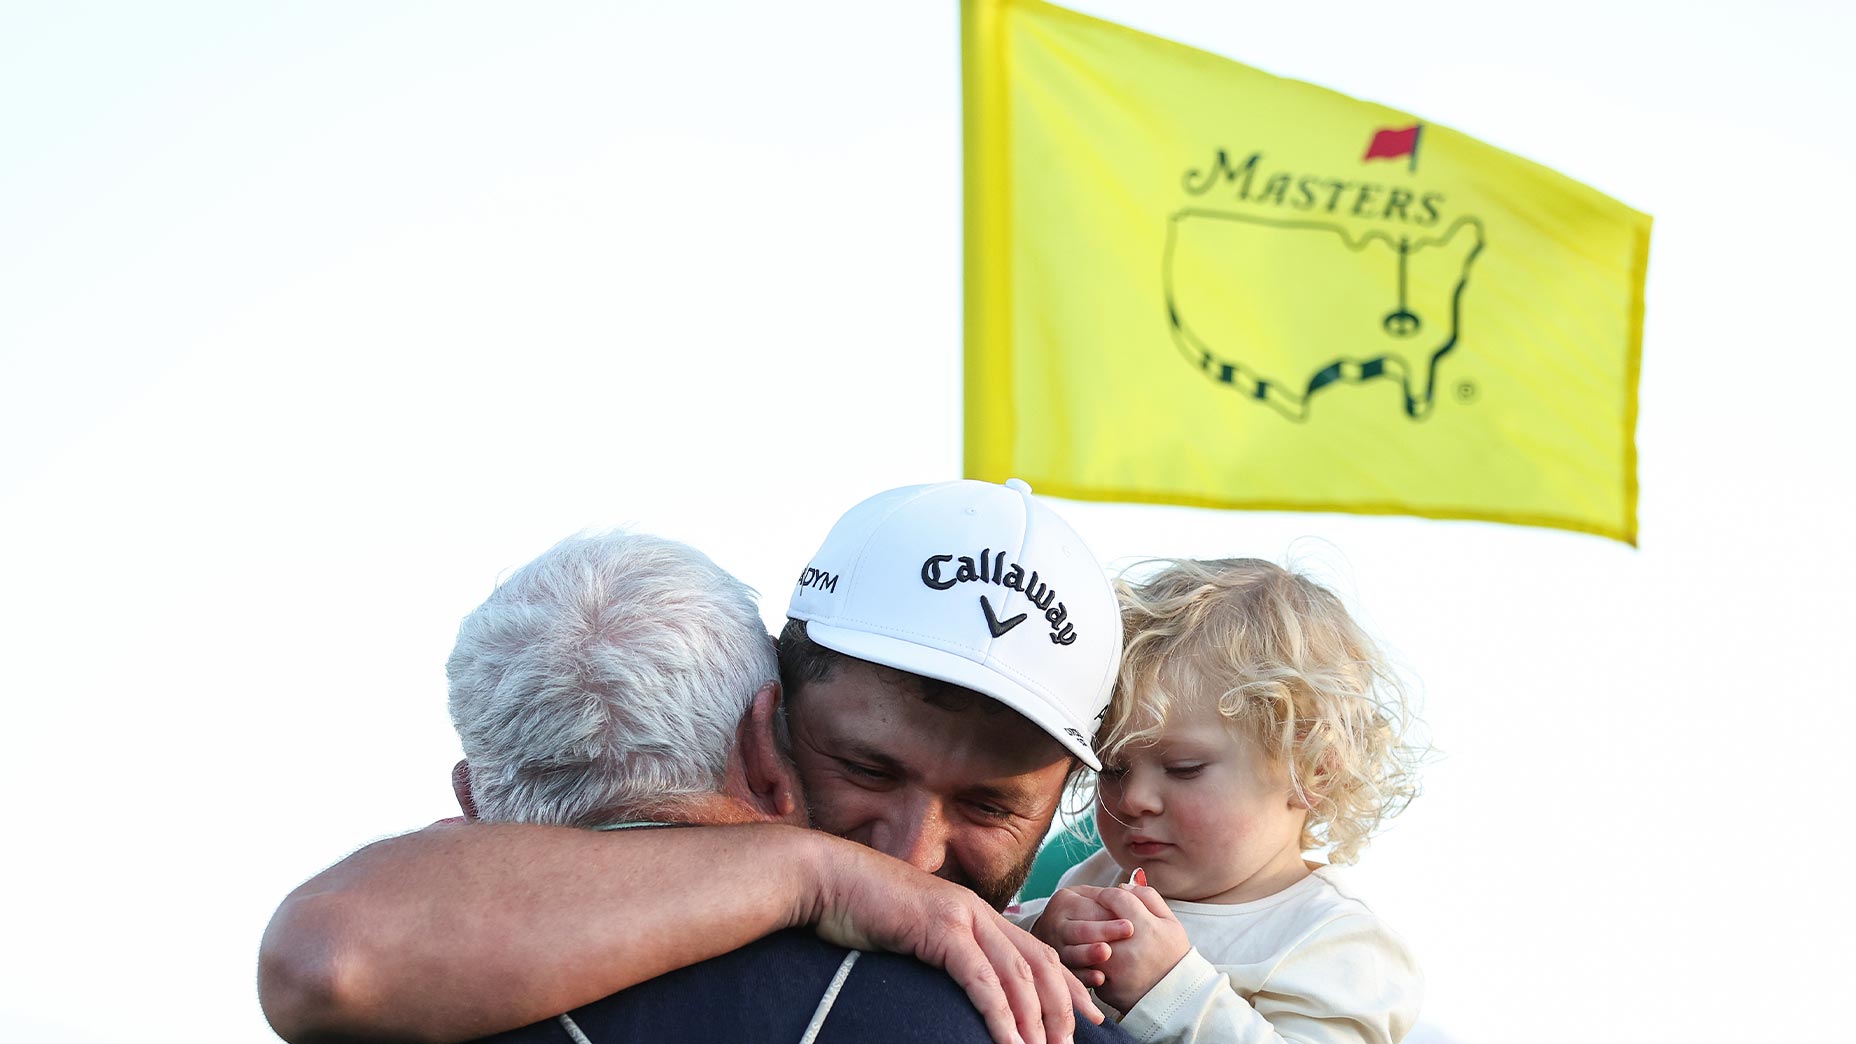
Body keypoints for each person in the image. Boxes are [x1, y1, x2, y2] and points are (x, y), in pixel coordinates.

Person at [260, 479, 1125, 1044]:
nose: (910, 859)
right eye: (867, 769)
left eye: (989, 808)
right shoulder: (457, 957)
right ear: (771, 728)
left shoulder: (1096, 987)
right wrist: (811, 871)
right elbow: (332, 955)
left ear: (1067, 802)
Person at [1019, 559, 1424, 1044]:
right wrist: (1035, 935)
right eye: (1114, 769)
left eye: (1184, 768)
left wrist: (1170, 989)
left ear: (1312, 768)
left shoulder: (1339, 943)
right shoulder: (1099, 875)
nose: (1133, 799)